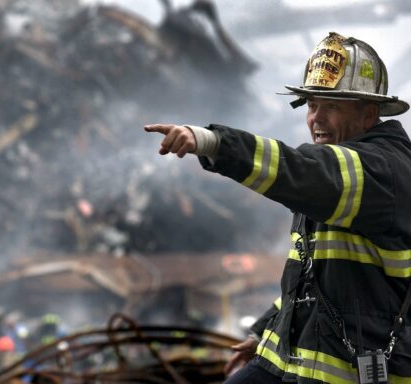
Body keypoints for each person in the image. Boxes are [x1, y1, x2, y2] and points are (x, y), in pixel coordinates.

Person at [144, 32, 411, 383]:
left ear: (368, 114)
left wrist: (213, 142)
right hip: (287, 359)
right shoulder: (337, 172)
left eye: (331, 106)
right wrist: (264, 329)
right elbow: (316, 278)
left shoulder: (382, 171)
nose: (316, 118)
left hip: (344, 372)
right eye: (312, 105)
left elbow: (301, 169)